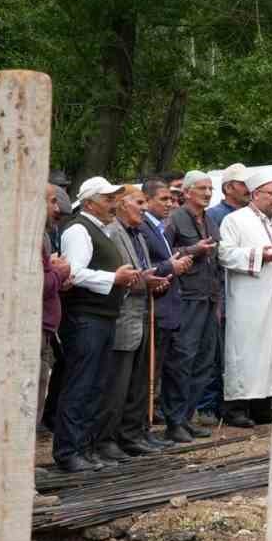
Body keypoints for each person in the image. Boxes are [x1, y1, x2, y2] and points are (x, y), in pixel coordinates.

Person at [53, 177, 141, 473]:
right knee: (81, 384)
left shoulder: (99, 229)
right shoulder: (79, 229)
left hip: (101, 316)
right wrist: (113, 279)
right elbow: (73, 274)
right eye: (107, 199)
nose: (113, 203)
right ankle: (69, 450)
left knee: (95, 385)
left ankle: (86, 447)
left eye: (115, 197)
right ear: (89, 202)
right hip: (85, 317)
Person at [96, 187, 163, 459]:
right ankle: (107, 439)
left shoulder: (138, 235)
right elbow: (118, 274)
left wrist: (153, 280)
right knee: (117, 383)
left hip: (142, 314)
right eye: (139, 202)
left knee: (137, 382)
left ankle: (132, 434)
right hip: (123, 317)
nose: (144, 208)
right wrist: (144, 280)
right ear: (123, 205)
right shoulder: (113, 232)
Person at [216, 174, 272, 427]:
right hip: (248, 298)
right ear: (256, 194)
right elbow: (224, 253)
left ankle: (263, 404)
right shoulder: (235, 220)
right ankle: (236, 407)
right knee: (246, 351)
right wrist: (258, 255)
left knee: (270, 350)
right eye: (271, 194)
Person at [165, 171, 220, 441]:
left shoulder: (209, 220)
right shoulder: (174, 219)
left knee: (204, 360)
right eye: (202, 188)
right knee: (182, 359)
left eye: (210, 188)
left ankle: (187, 418)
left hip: (209, 298)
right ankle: (174, 421)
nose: (208, 193)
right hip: (186, 299)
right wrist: (192, 250)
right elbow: (164, 256)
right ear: (186, 192)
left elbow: (217, 261)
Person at [140, 177, 193, 438]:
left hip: (173, 308)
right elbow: (146, 268)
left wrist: (174, 264)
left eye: (172, 199)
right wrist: (171, 267)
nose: (170, 203)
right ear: (147, 200)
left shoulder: (160, 228)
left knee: (177, 367)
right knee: (151, 374)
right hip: (156, 310)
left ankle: (177, 422)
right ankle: (143, 428)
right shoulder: (142, 228)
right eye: (164, 199)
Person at [202, 165, 249, 424]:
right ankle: (209, 404)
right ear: (229, 187)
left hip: (243, 293)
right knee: (217, 350)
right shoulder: (215, 216)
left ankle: (233, 402)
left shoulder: (252, 216)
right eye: (243, 184)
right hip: (220, 292)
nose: (247, 189)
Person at [38, 184, 72, 430]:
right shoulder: (32, 237)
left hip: (43, 328)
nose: (56, 207)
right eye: (51, 201)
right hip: (34, 328)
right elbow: (36, 284)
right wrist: (58, 273)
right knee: (30, 399)